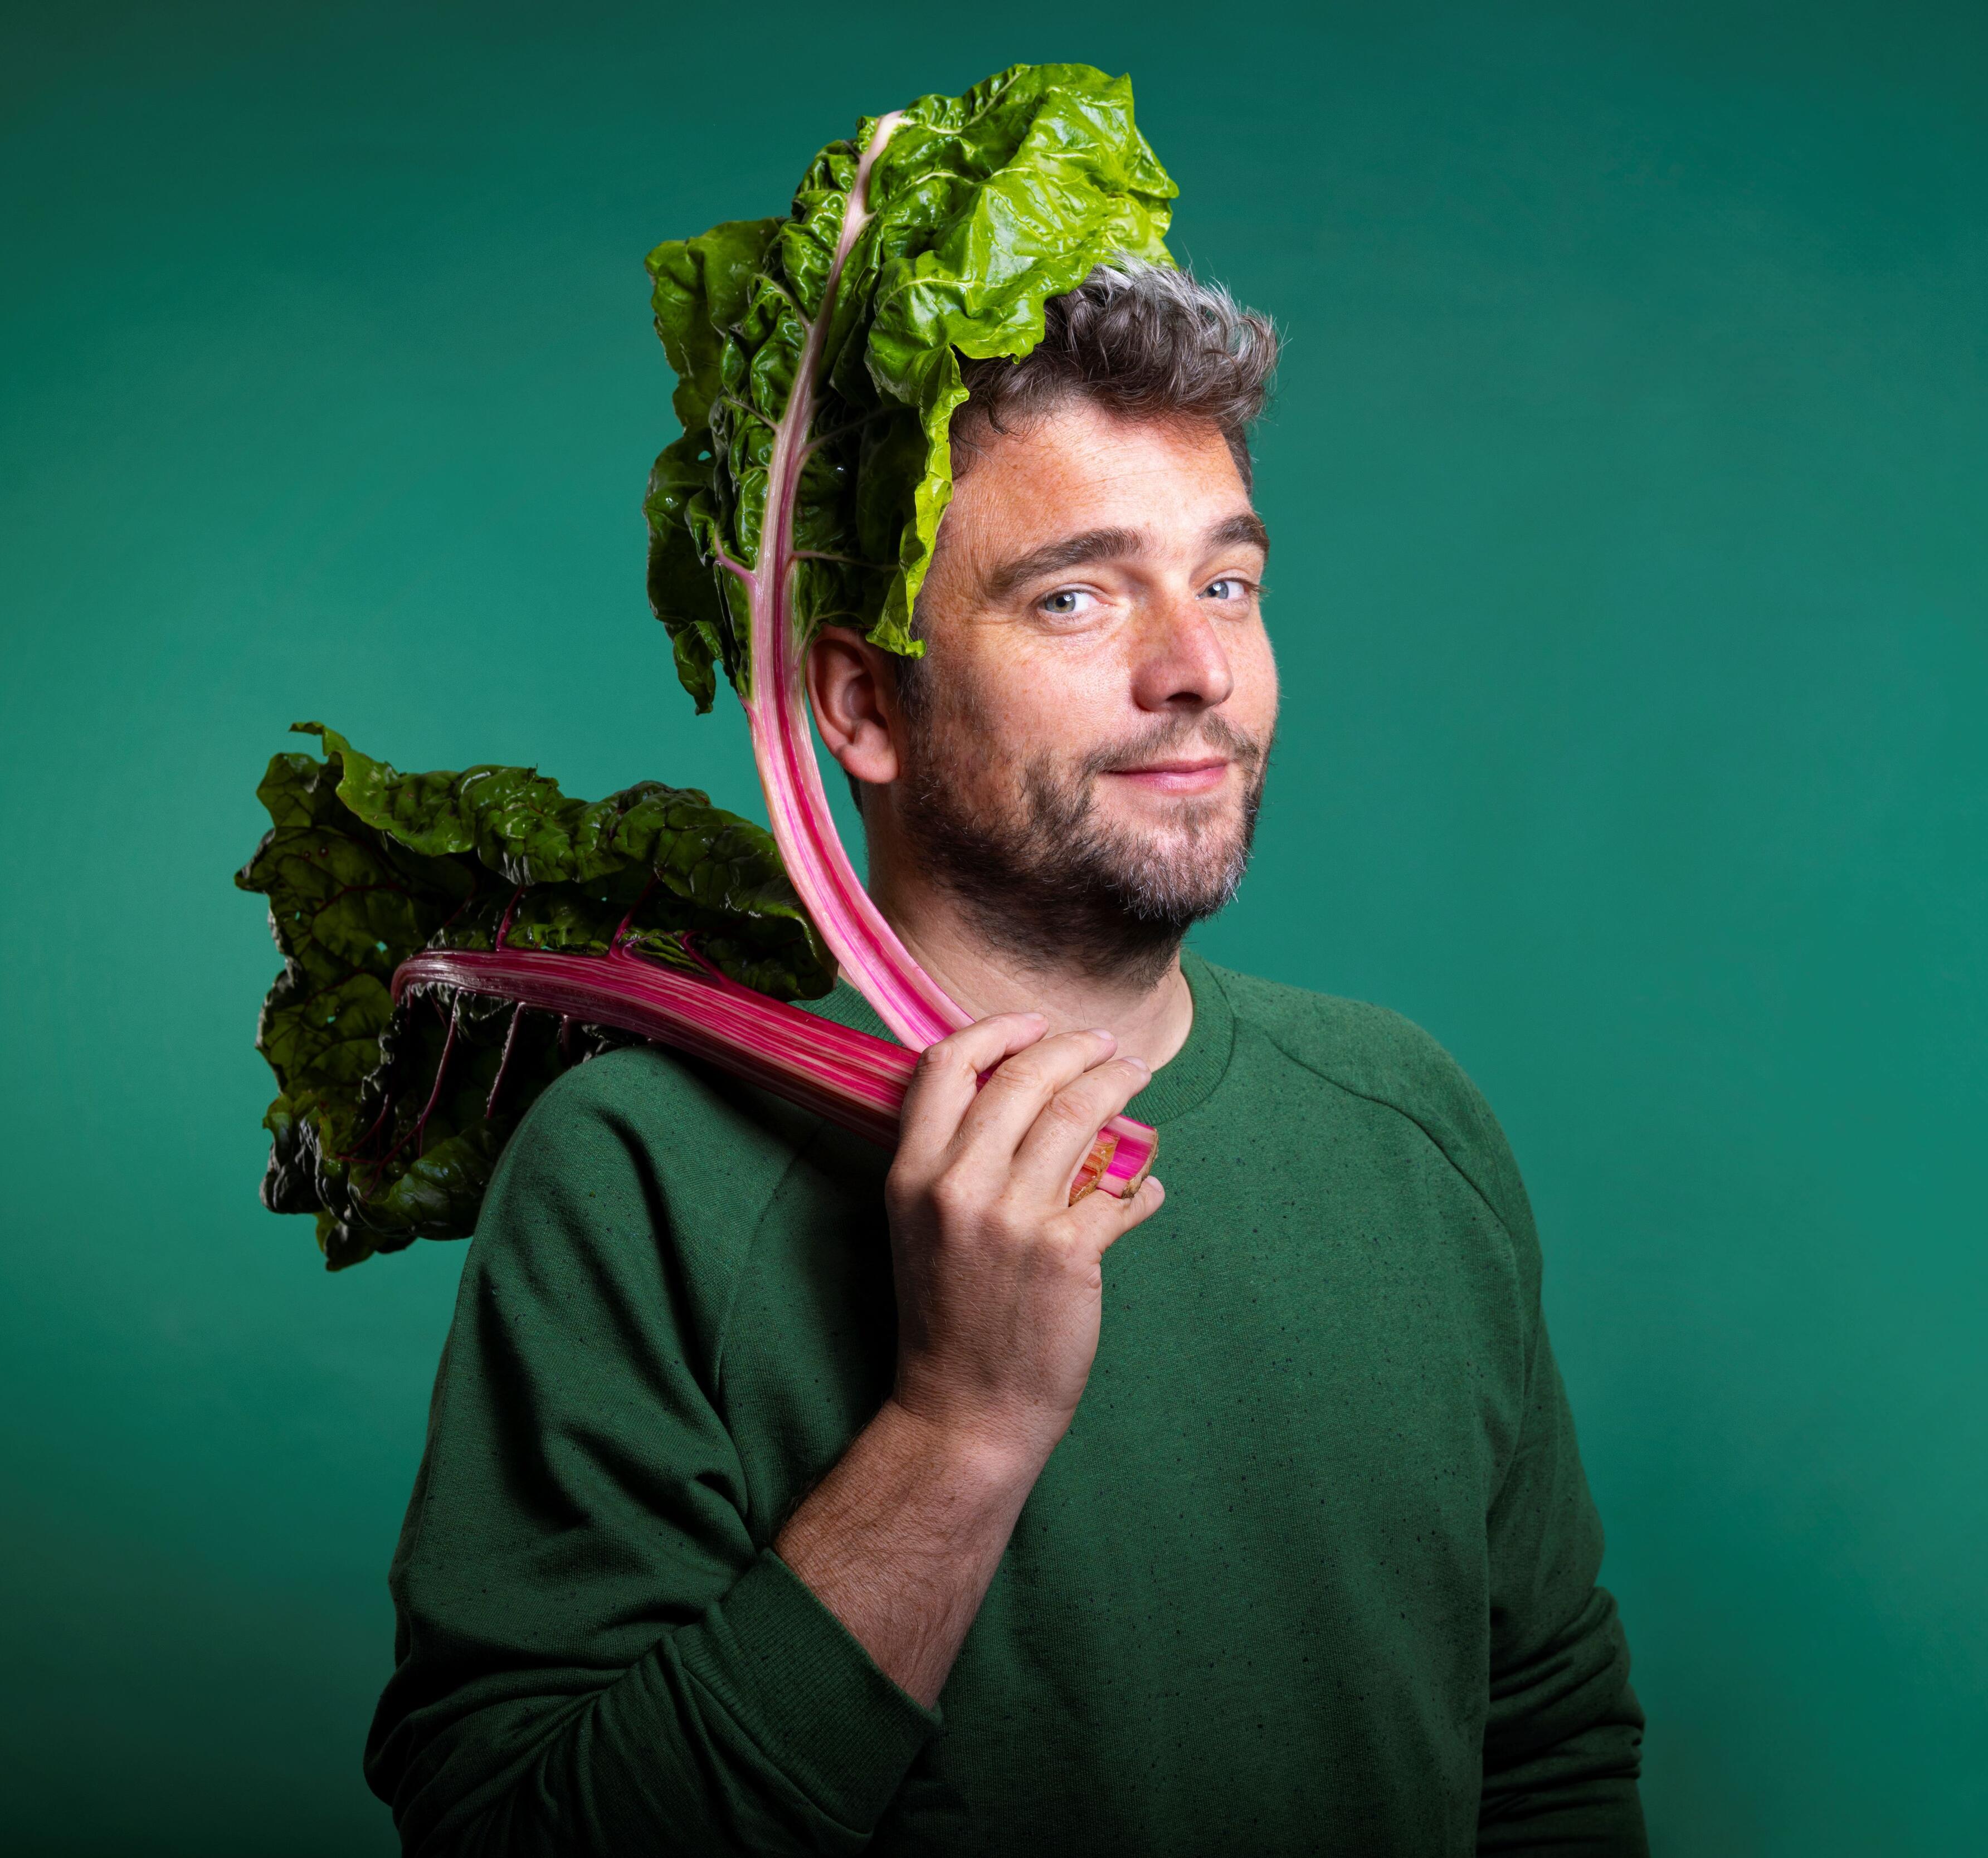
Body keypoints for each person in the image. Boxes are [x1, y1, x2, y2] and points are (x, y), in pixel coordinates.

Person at [366, 261, 1648, 1855]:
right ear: (861, 703)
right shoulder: (636, 1172)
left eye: (1228, 584)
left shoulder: (1410, 1126)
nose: (1196, 670)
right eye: (1077, 596)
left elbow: (1548, 1758)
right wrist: (956, 1431)